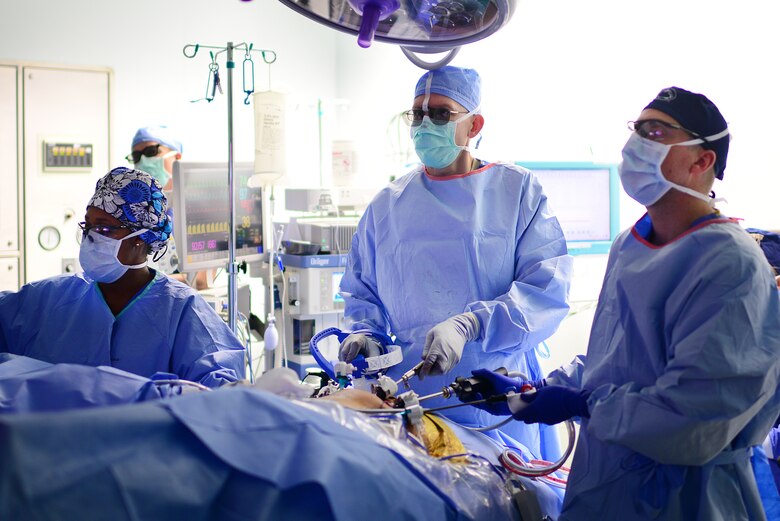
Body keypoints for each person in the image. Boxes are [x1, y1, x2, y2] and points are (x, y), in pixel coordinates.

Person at [469, 87, 780, 520]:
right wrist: (536, 390)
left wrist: (583, 404)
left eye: (656, 131)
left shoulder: (730, 262)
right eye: (637, 129)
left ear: (702, 160)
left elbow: (697, 415)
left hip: (684, 497)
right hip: (606, 483)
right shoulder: (629, 245)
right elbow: (614, 358)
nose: (635, 143)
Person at [337, 66, 572, 460]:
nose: (426, 124)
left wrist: (472, 324)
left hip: (496, 390)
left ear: (474, 124)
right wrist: (367, 337)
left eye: (442, 114)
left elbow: (547, 290)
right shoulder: (386, 206)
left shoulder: (516, 191)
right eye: (418, 114)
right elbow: (363, 294)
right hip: (414, 399)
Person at [0, 167, 246, 388]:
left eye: (104, 228)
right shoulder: (51, 299)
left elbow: (221, 392)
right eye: (88, 227)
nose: (91, 238)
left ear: (141, 238)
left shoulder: (182, 311)